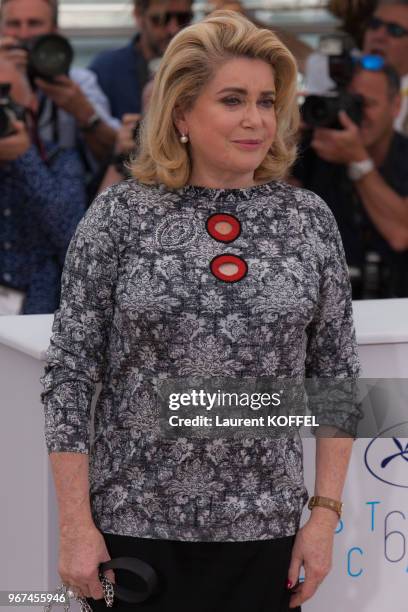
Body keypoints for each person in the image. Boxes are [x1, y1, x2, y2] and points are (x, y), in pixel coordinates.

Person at [41, 10, 360, 612]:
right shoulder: (118, 217)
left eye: (267, 101)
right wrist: (75, 526)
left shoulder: (308, 220)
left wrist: (323, 517)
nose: (255, 119)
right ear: (181, 113)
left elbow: (336, 379)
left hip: (266, 531)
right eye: (233, 99)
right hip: (132, 526)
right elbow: (69, 377)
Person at [293, 61, 408, 299]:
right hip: (327, 302)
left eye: (365, 104)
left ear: (396, 105)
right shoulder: (315, 149)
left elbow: (401, 233)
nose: (355, 113)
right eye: (349, 101)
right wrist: (284, 144)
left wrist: (358, 162)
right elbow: (278, 216)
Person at [0, 58, 86, 314]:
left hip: (37, 314)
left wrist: (26, 159)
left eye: (7, 101)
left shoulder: (60, 159)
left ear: (32, 104)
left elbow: (71, 240)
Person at [0, 0, 119, 167]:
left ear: (54, 30)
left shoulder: (77, 81)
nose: (24, 34)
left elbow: (117, 152)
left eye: (34, 24)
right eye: (14, 24)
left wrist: (82, 110)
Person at [305, 0, 408, 134]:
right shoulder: (333, 66)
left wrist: (358, 155)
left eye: (395, 30)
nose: (379, 36)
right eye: (374, 24)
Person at [89, 0, 194, 121]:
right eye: (160, 19)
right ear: (138, 15)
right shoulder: (106, 69)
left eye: (183, 18)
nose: (173, 29)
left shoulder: (202, 67)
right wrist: (117, 137)